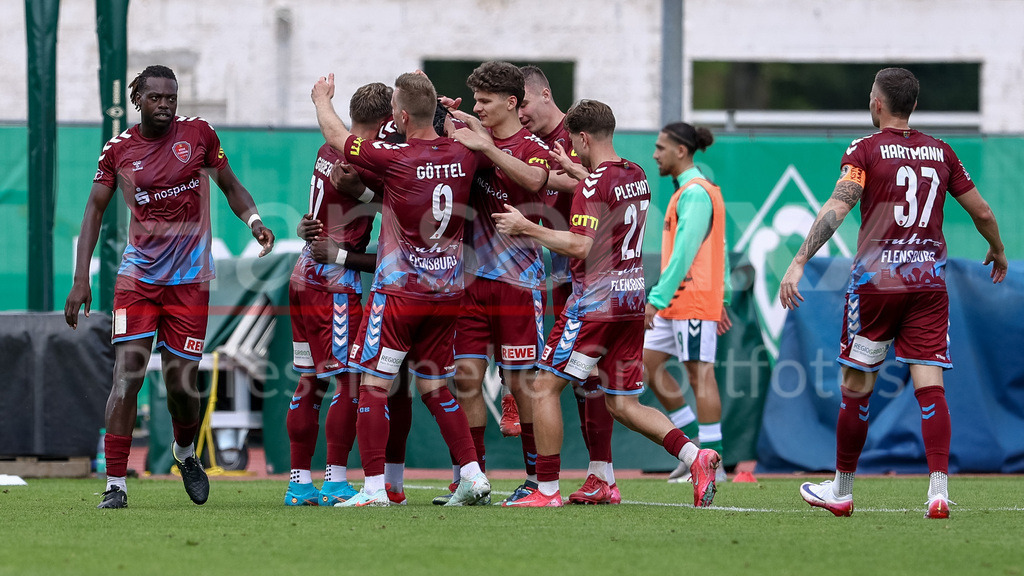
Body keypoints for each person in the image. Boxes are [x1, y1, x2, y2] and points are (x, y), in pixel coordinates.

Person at [779, 67, 1007, 519]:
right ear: (914, 106)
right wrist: (998, 250)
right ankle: (938, 491)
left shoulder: (863, 150)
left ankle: (842, 491)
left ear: (877, 103)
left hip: (877, 286)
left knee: (856, 388)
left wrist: (800, 259)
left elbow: (837, 208)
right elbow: (981, 210)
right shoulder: (942, 152)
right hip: (927, 284)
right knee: (930, 387)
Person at [64, 65, 276, 509]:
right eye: (156, 97)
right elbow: (93, 213)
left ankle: (184, 452)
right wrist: (81, 278)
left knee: (182, 384)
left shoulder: (199, 135)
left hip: (190, 283)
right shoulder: (118, 150)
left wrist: (254, 220)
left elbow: (231, 186)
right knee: (128, 377)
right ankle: (116, 486)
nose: (165, 105)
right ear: (137, 98)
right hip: (138, 280)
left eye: (171, 98)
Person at [494, 99, 721, 508]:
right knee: (622, 403)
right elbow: (602, 187)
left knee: (543, 387)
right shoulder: (635, 174)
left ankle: (546, 491)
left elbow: (580, 245)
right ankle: (696, 455)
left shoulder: (594, 184)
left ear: (582, 137)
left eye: (575, 145)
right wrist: (580, 172)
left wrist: (527, 227)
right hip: (631, 299)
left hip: (594, 302)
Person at [312, 71, 491, 507]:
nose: (391, 113)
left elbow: (338, 137)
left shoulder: (395, 158)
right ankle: (473, 475)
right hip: (447, 292)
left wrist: (321, 100)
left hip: (399, 294)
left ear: (404, 116)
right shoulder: (465, 150)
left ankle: (374, 488)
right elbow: (484, 138)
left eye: (395, 107)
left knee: (373, 385)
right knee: (436, 386)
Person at [441, 61, 551, 505]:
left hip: (518, 285)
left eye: (485, 101)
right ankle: (474, 477)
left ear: (511, 102)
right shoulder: (470, 137)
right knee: (466, 378)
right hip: (470, 283)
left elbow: (536, 182)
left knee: (523, 384)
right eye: (475, 101)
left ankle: (532, 478)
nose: (478, 107)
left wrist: (485, 146)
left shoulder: (531, 146)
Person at [518, 64, 621, 504]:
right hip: (562, 271)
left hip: (584, 274)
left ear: (545, 94)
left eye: (522, 103)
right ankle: (602, 473)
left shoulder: (577, 136)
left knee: (576, 379)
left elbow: (588, 186)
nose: (520, 114)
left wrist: (537, 175)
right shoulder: (534, 141)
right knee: (585, 380)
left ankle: (560, 482)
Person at [283, 82, 389, 506]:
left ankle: (297, 483)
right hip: (333, 281)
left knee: (310, 381)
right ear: (385, 123)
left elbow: (320, 212)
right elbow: (400, 209)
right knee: (349, 383)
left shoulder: (328, 150)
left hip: (302, 274)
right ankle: (335, 480)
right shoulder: (369, 161)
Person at [644, 122, 732, 483]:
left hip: (688, 298)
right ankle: (694, 450)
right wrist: (722, 294)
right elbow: (718, 248)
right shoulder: (690, 191)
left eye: (661, 147)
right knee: (646, 365)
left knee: (700, 374)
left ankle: (714, 464)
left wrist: (657, 298)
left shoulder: (695, 193)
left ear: (681, 150)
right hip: (680, 302)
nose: (655, 154)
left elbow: (685, 252)